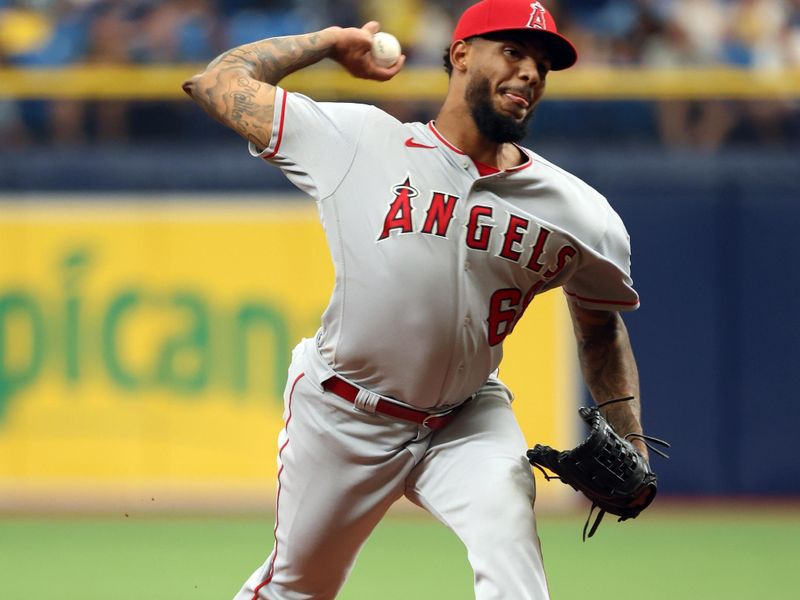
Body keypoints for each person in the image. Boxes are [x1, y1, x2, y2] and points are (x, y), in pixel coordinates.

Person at [183, 1, 650, 598]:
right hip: (343, 414)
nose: (531, 72)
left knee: (513, 559)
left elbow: (599, 326)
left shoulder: (580, 213)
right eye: (512, 52)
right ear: (460, 55)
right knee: (297, 588)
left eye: (541, 63)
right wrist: (328, 41)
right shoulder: (357, 142)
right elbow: (216, 82)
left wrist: (631, 442)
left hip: (467, 418)